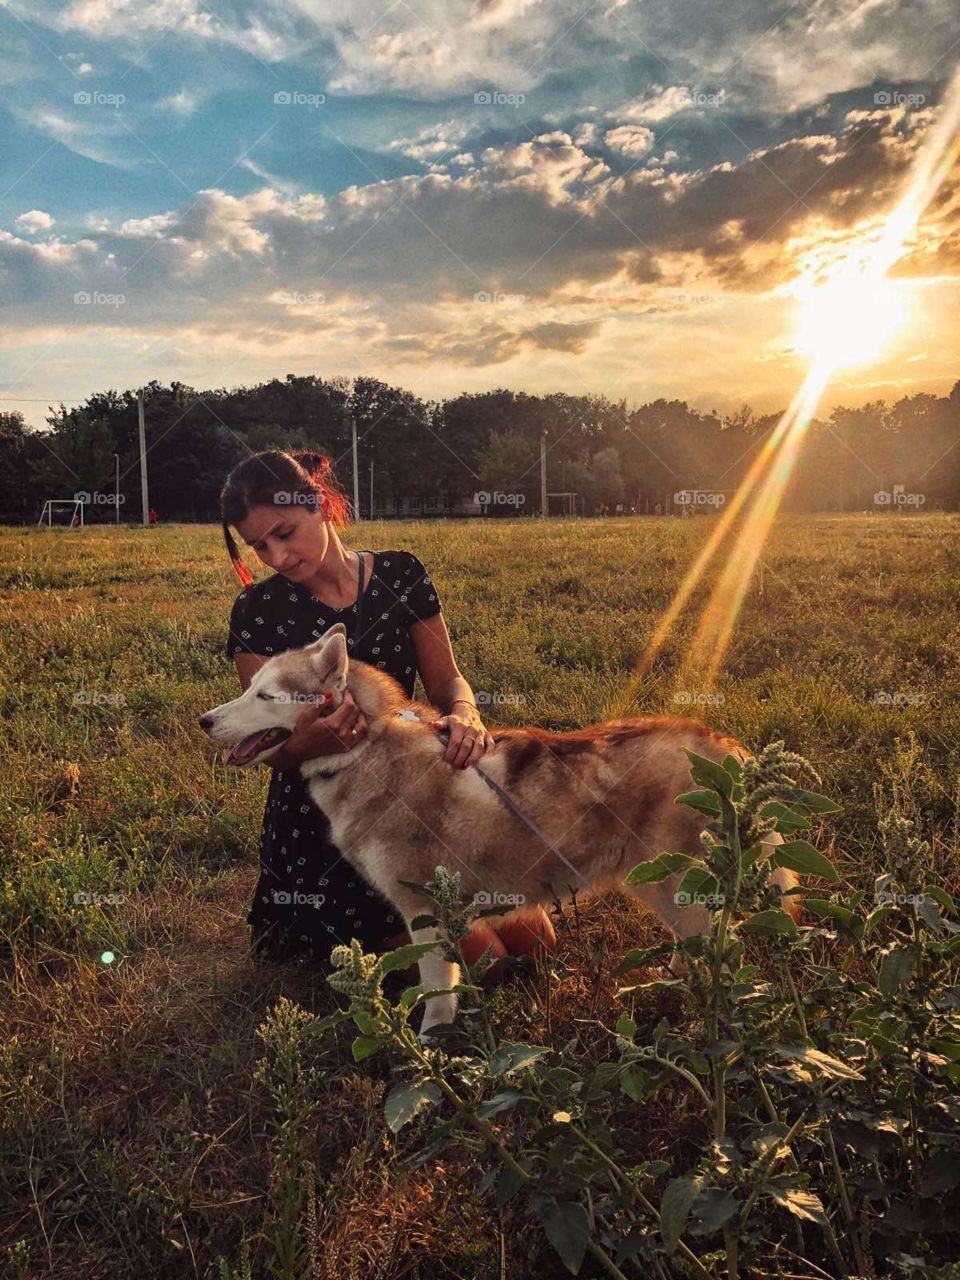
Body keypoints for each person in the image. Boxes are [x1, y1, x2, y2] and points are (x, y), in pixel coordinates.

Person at [220, 449, 556, 972]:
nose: (277, 557)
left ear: (322, 505)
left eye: (284, 532)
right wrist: (316, 742)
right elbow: (275, 751)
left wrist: (466, 713)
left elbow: (446, 680)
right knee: (487, 962)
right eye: (259, 546)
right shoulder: (259, 610)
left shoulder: (401, 575)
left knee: (537, 942)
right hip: (332, 818)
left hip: (423, 790)